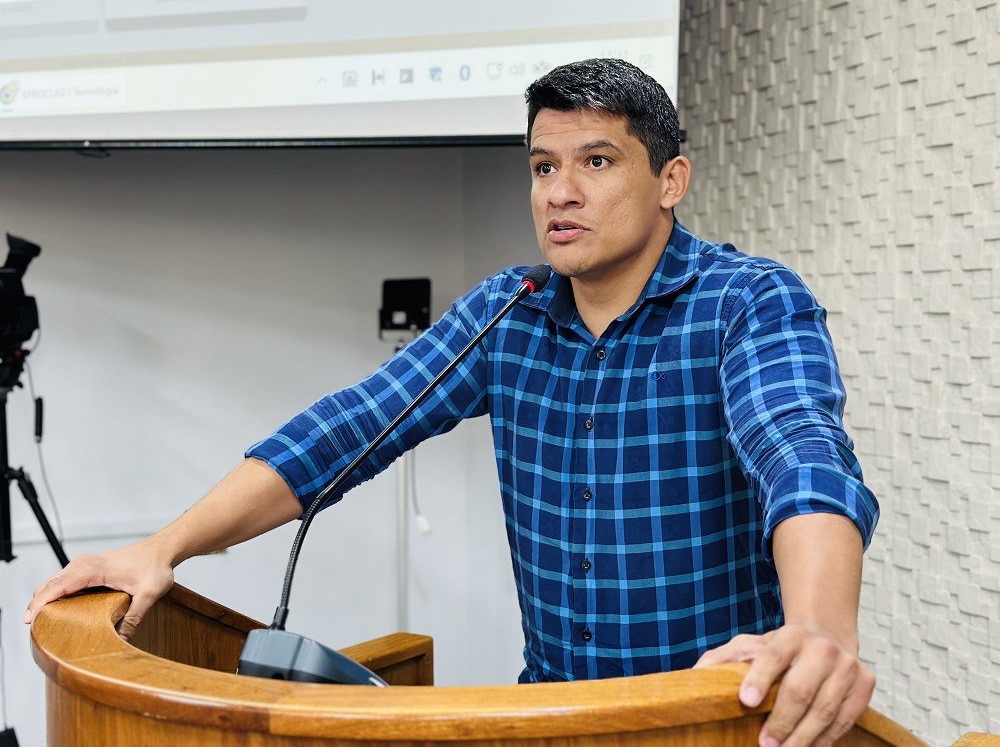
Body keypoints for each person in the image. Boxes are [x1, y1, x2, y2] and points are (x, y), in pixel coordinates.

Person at [26, 59, 878, 747]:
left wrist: (819, 627)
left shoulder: (747, 301)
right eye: (543, 167)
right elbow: (348, 428)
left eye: (596, 162)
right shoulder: (509, 310)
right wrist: (163, 549)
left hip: (711, 720)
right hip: (553, 719)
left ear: (670, 180)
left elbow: (799, 451)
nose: (560, 193)